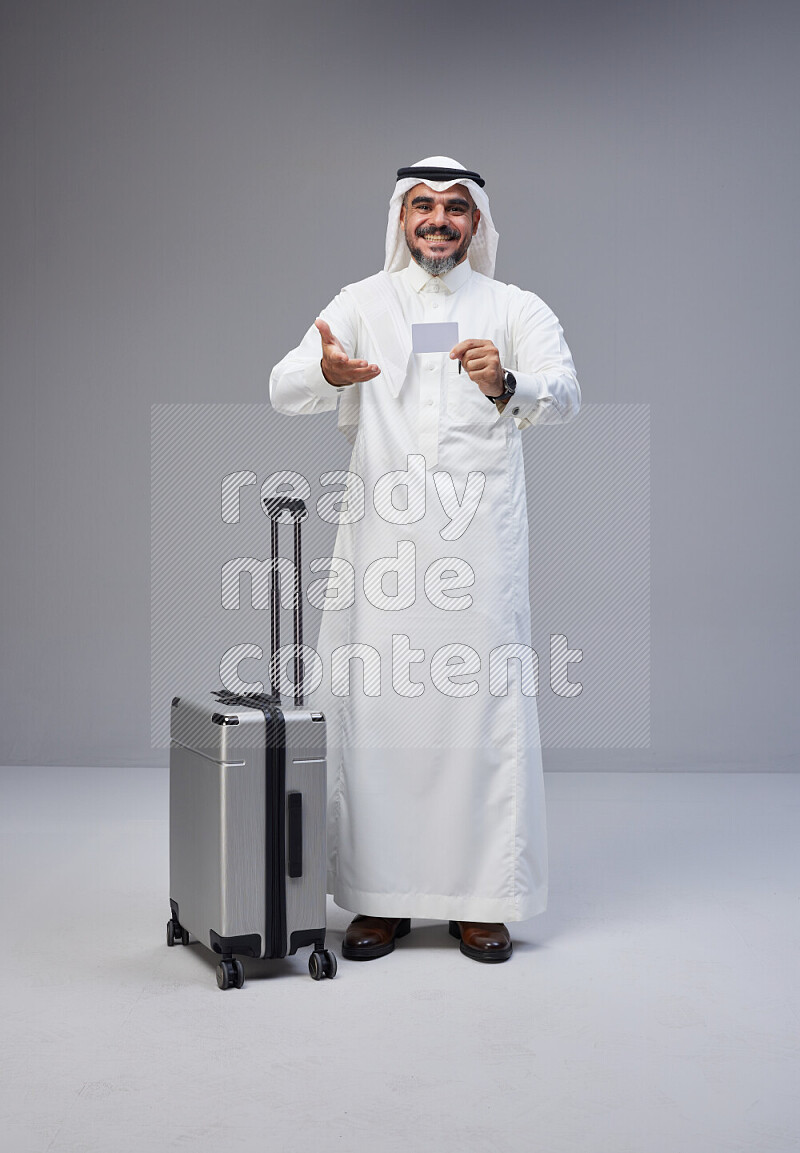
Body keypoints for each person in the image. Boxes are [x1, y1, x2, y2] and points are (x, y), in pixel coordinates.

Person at [269, 156, 580, 963]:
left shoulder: (515, 307)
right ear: (401, 219)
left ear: (475, 222)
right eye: (421, 206)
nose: (437, 220)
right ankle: (380, 900)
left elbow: (567, 393)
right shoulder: (361, 303)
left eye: (453, 208)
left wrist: (506, 381)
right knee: (378, 717)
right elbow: (283, 384)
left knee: (481, 715)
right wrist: (325, 371)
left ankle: (483, 901)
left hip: (480, 548)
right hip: (384, 547)